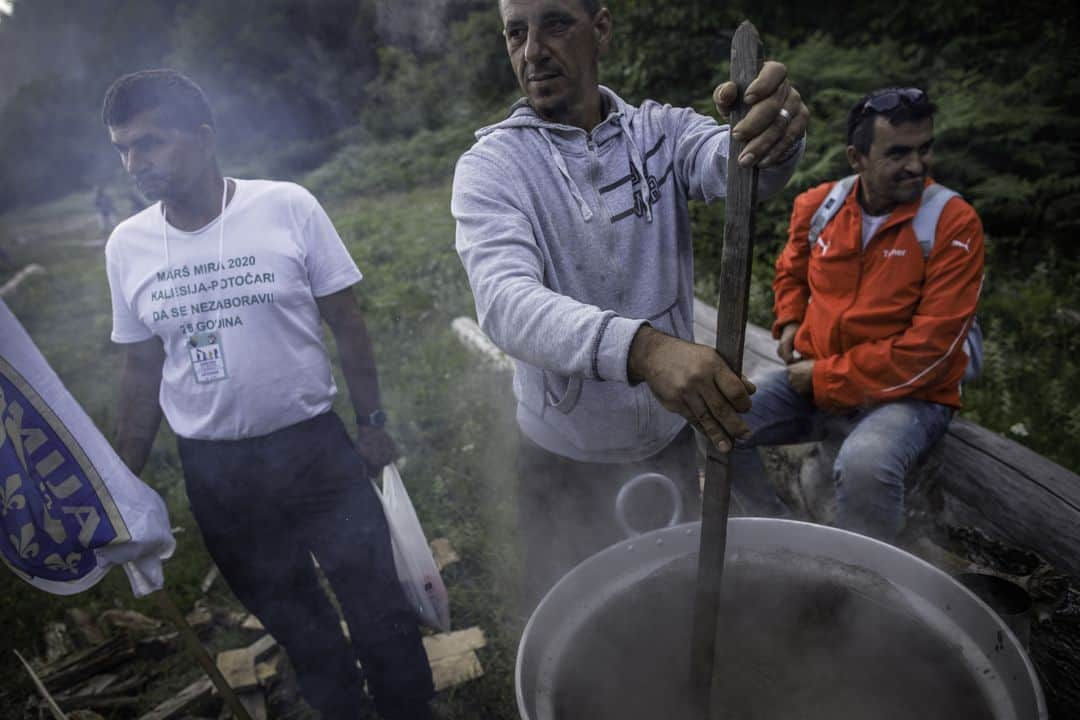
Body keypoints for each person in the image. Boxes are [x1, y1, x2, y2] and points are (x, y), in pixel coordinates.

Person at [452, 0, 808, 608]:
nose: (533, 50)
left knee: (670, 607)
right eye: (517, 32)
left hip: (667, 446)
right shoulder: (492, 167)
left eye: (556, 24)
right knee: (574, 622)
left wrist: (771, 136)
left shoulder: (659, 133)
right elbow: (506, 302)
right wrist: (644, 349)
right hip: (562, 461)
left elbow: (739, 171)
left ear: (603, 28)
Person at [101, 70, 433, 720]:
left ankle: (409, 710)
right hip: (218, 476)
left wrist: (371, 423)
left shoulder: (285, 207)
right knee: (296, 621)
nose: (134, 164)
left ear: (203, 138)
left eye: (151, 143)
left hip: (314, 451)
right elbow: (140, 374)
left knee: (376, 605)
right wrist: (119, 484)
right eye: (123, 149)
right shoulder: (127, 246)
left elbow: (348, 320)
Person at [731, 86, 985, 542]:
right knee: (721, 419)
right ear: (857, 158)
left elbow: (931, 352)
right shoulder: (819, 207)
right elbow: (791, 272)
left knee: (865, 464)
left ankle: (859, 589)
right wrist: (789, 321)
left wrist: (824, 377)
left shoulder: (952, 222)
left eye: (924, 149)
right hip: (819, 378)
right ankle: (774, 532)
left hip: (913, 394)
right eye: (899, 153)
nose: (918, 165)